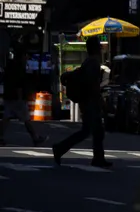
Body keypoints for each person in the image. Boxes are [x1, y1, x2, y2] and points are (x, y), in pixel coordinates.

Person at [52, 35, 112, 169]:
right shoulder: (93, 63)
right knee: (87, 131)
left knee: (97, 131)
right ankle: (60, 148)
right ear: (96, 48)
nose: (101, 49)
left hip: (88, 101)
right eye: (99, 46)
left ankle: (98, 157)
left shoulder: (89, 62)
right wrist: (100, 100)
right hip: (90, 102)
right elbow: (92, 84)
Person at [0, 38, 46, 147]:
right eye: (26, 56)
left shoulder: (10, 65)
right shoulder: (18, 67)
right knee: (26, 119)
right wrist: (21, 98)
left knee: (7, 118)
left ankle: (1, 137)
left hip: (9, 96)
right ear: (22, 56)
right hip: (16, 98)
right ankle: (35, 138)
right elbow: (19, 84)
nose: (27, 58)